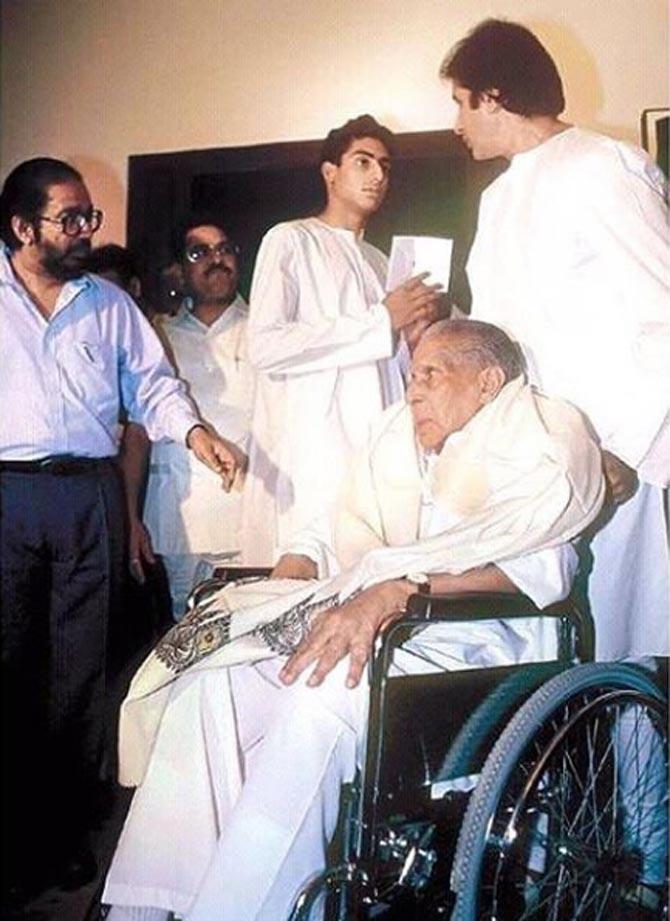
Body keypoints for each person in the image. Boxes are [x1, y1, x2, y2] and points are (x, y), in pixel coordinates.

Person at [103, 320, 604, 921]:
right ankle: (156, 904)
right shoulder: (398, 443)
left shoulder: (539, 437)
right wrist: (300, 570)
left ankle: (241, 911)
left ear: (488, 381)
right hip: (382, 627)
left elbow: (549, 568)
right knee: (216, 683)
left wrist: (401, 590)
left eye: (431, 375)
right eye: (411, 376)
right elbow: (342, 525)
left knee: (320, 695)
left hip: (483, 640)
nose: (412, 391)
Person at [0, 158, 241, 898]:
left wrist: (196, 436)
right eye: (70, 218)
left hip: (89, 497)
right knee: (8, 666)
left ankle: (63, 834)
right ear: (20, 227)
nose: (85, 230)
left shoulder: (107, 305)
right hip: (6, 494)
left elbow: (154, 386)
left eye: (89, 217)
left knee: (79, 675)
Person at [440, 19, 670, 662]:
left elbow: (663, 316)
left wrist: (623, 450)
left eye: (460, 101)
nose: (456, 121)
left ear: (492, 95)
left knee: (618, 653)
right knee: (536, 650)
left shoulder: (605, 165)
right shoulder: (497, 197)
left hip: (607, 453)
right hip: (525, 456)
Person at [242, 114, 443, 572]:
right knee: (303, 587)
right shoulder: (292, 239)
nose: (377, 175)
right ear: (330, 172)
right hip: (312, 450)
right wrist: (380, 319)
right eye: (363, 162)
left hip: (375, 447)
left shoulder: (381, 261)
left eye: (385, 166)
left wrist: (411, 334)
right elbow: (267, 345)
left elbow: (390, 363)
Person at [125, 215, 255, 619]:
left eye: (225, 249)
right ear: (180, 269)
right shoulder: (157, 334)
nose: (216, 260)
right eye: (200, 252)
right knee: (182, 640)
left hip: (249, 516)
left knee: (246, 637)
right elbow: (137, 433)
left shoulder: (267, 330)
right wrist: (130, 517)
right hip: (178, 524)